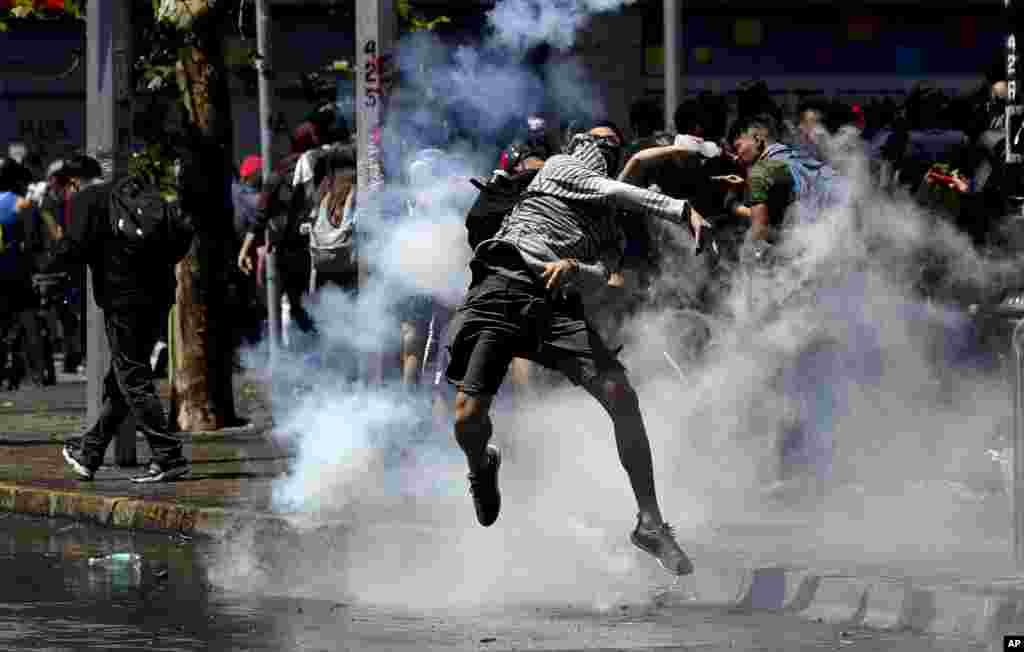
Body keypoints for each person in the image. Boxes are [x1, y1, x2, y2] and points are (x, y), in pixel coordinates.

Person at [445, 122, 710, 576]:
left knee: (622, 396)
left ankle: (650, 521)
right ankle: (481, 465)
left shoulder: (609, 224)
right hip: (499, 287)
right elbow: (621, 188)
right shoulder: (560, 167)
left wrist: (574, 266)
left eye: (611, 145)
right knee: (469, 419)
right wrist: (682, 209)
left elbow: (603, 271)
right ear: (576, 146)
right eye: (596, 141)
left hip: (551, 307)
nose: (603, 149)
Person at [49, 154, 193, 483]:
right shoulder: (136, 192)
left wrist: (48, 262)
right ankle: (90, 452)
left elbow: (74, 248)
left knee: (132, 379)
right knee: (123, 379)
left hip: (123, 300)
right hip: (158, 295)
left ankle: (169, 456)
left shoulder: (87, 198)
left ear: (73, 182)